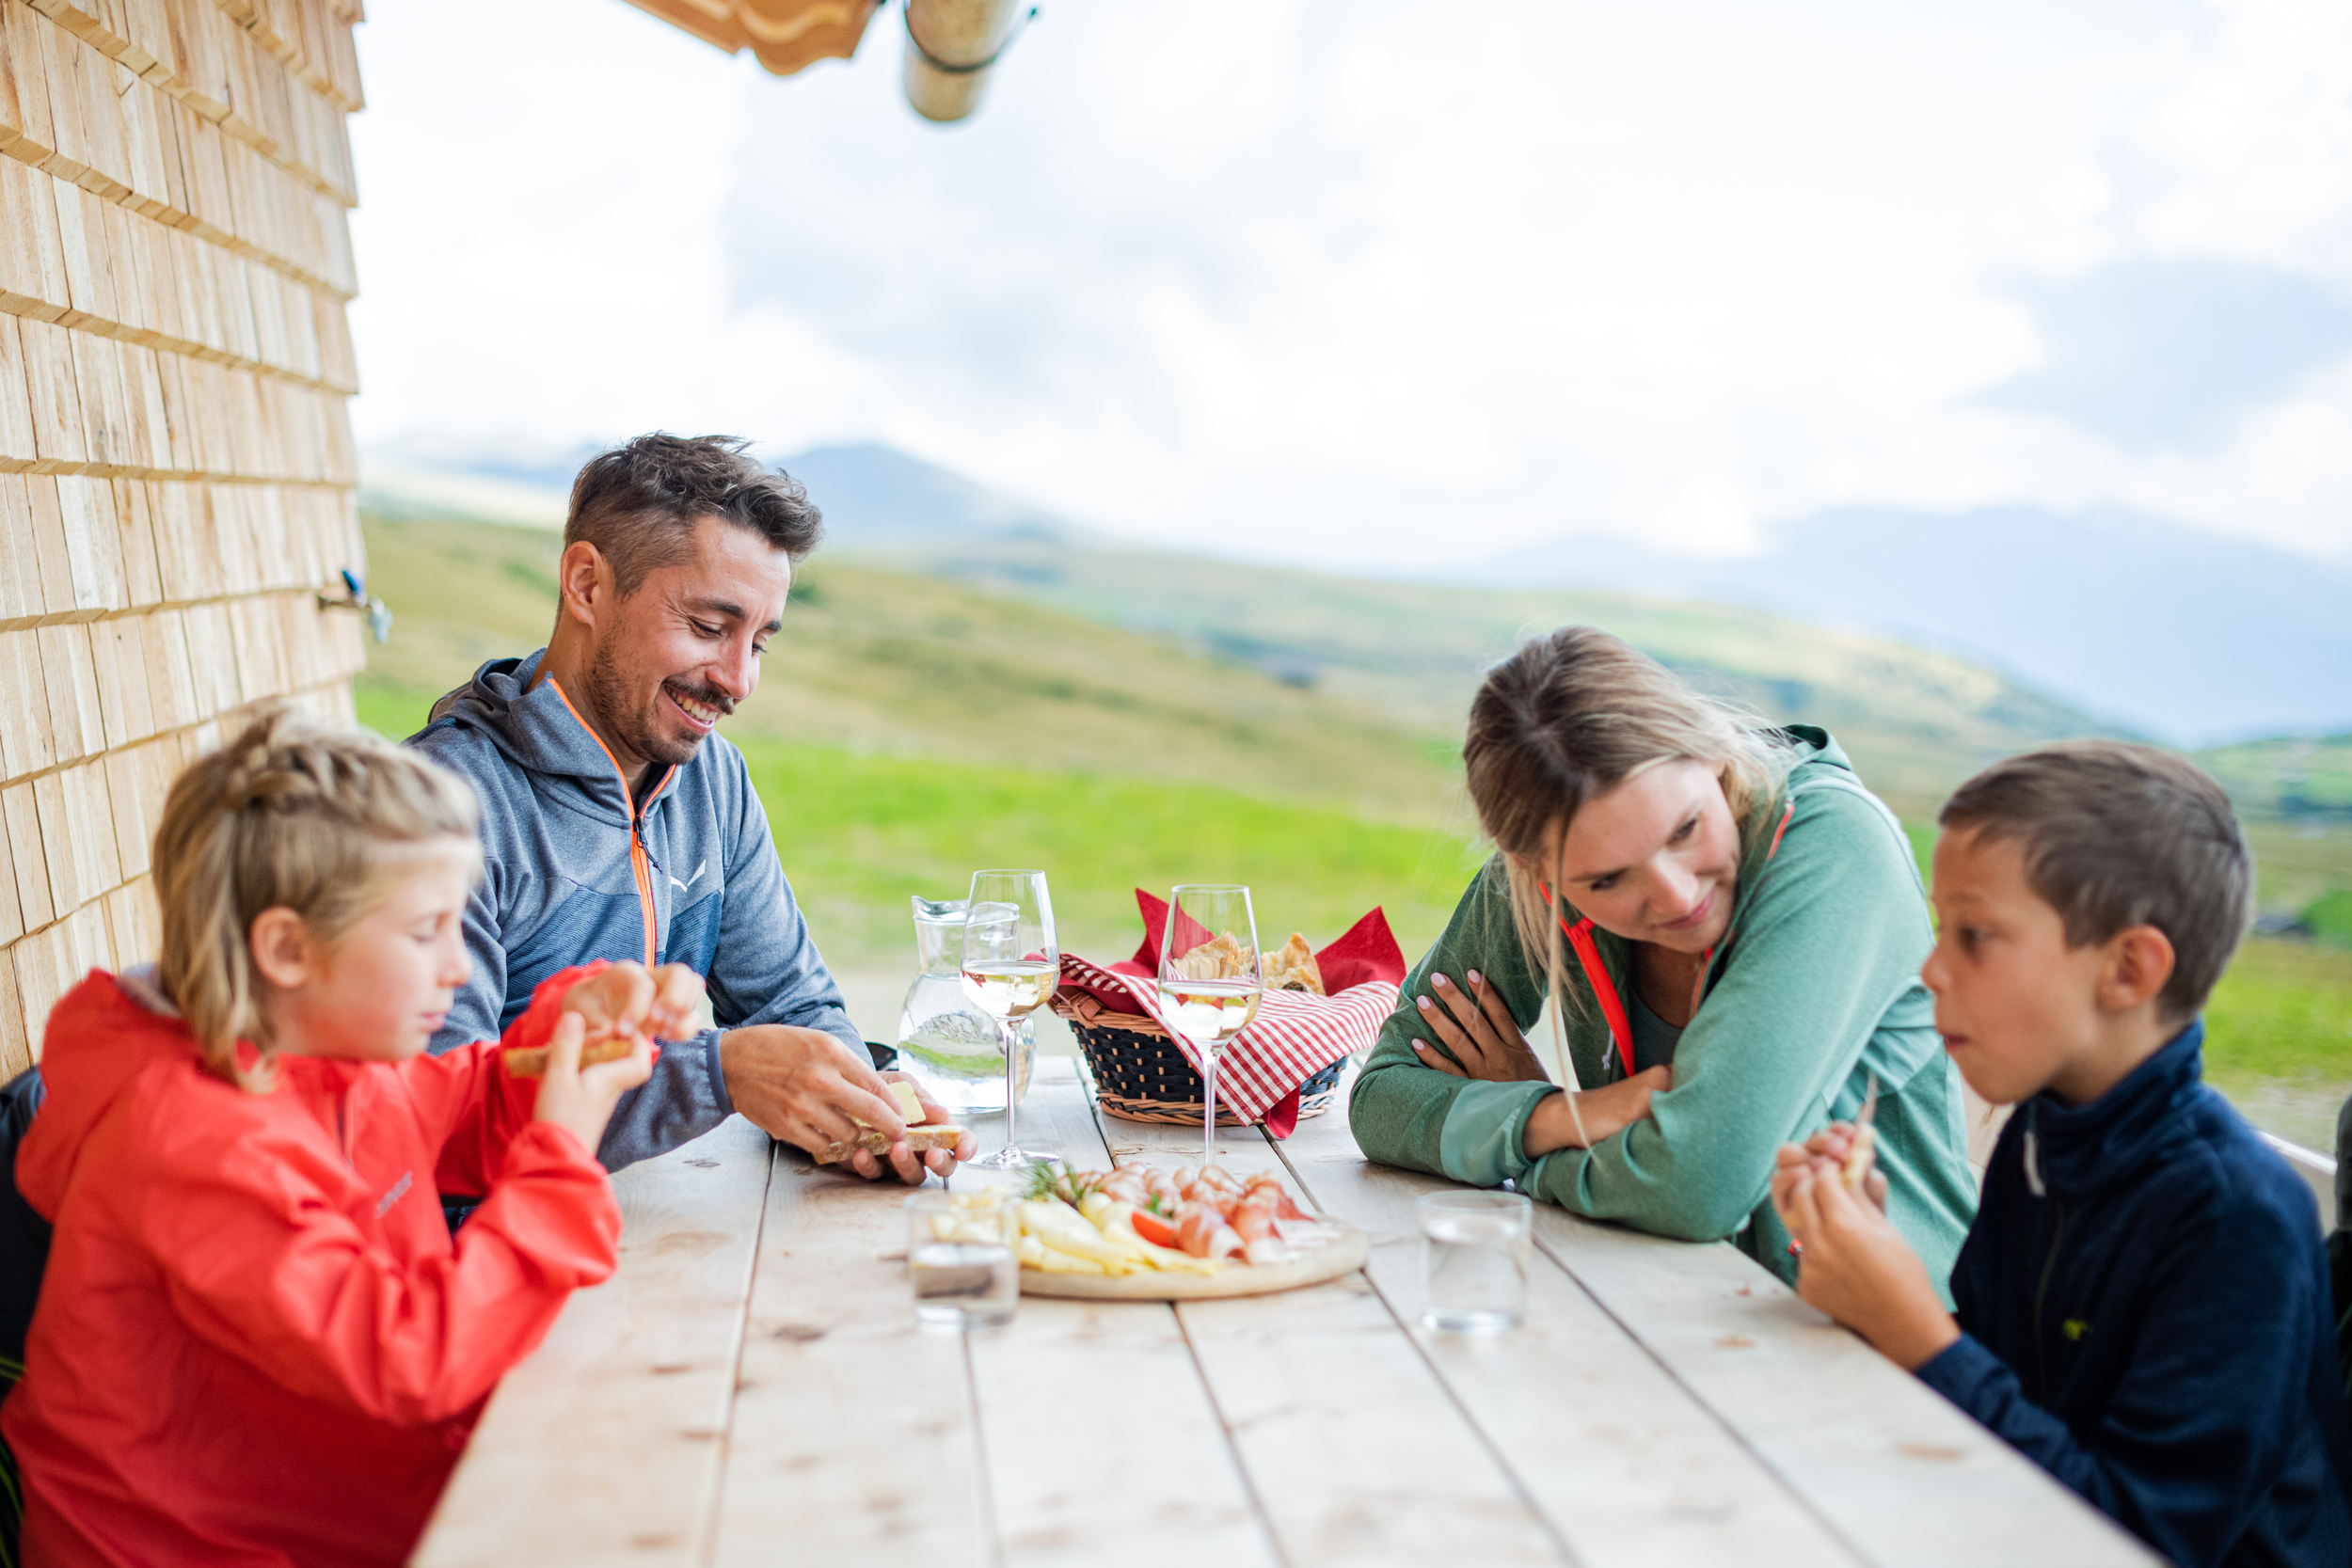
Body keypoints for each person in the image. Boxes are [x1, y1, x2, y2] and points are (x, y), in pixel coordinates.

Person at [3, 712, 686, 1566]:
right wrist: (556, 1155)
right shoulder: (192, 1143)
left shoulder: (317, 1052)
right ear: (288, 947)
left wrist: (568, 1023)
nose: (456, 967)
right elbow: (404, 1356)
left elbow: (452, 1104)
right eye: (423, 931)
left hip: (344, 1509)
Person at [1772, 741, 2350, 1568]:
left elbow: (2135, 1535)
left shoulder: (2233, 1217)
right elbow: (2007, 1389)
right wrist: (1868, 1257)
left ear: (2128, 968)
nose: (1931, 968)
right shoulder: (2040, 1136)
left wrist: (1919, 1333)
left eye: (1975, 935)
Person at [408, 434, 973, 1183]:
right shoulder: (437, 809)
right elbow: (432, 1120)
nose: (737, 681)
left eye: (760, 643)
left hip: (646, 1228)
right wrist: (720, 1073)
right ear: (586, 584)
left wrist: (866, 1109)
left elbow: (791, 1003)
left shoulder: (715, 781)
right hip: (474, 1261)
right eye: (709, 628)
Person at [1350, 626, 1976, 1286]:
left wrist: (1523, 1149)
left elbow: (1695, 1186)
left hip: (1884, 1344)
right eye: (1608, 881)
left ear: (1712, 754)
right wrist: (1564, 1114)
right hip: (1659, 1303)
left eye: (1686, 828)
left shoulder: (1836, 848)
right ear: (1541, 873)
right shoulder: (1545, 871)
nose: (1677, 895)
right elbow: (1382, 1096)